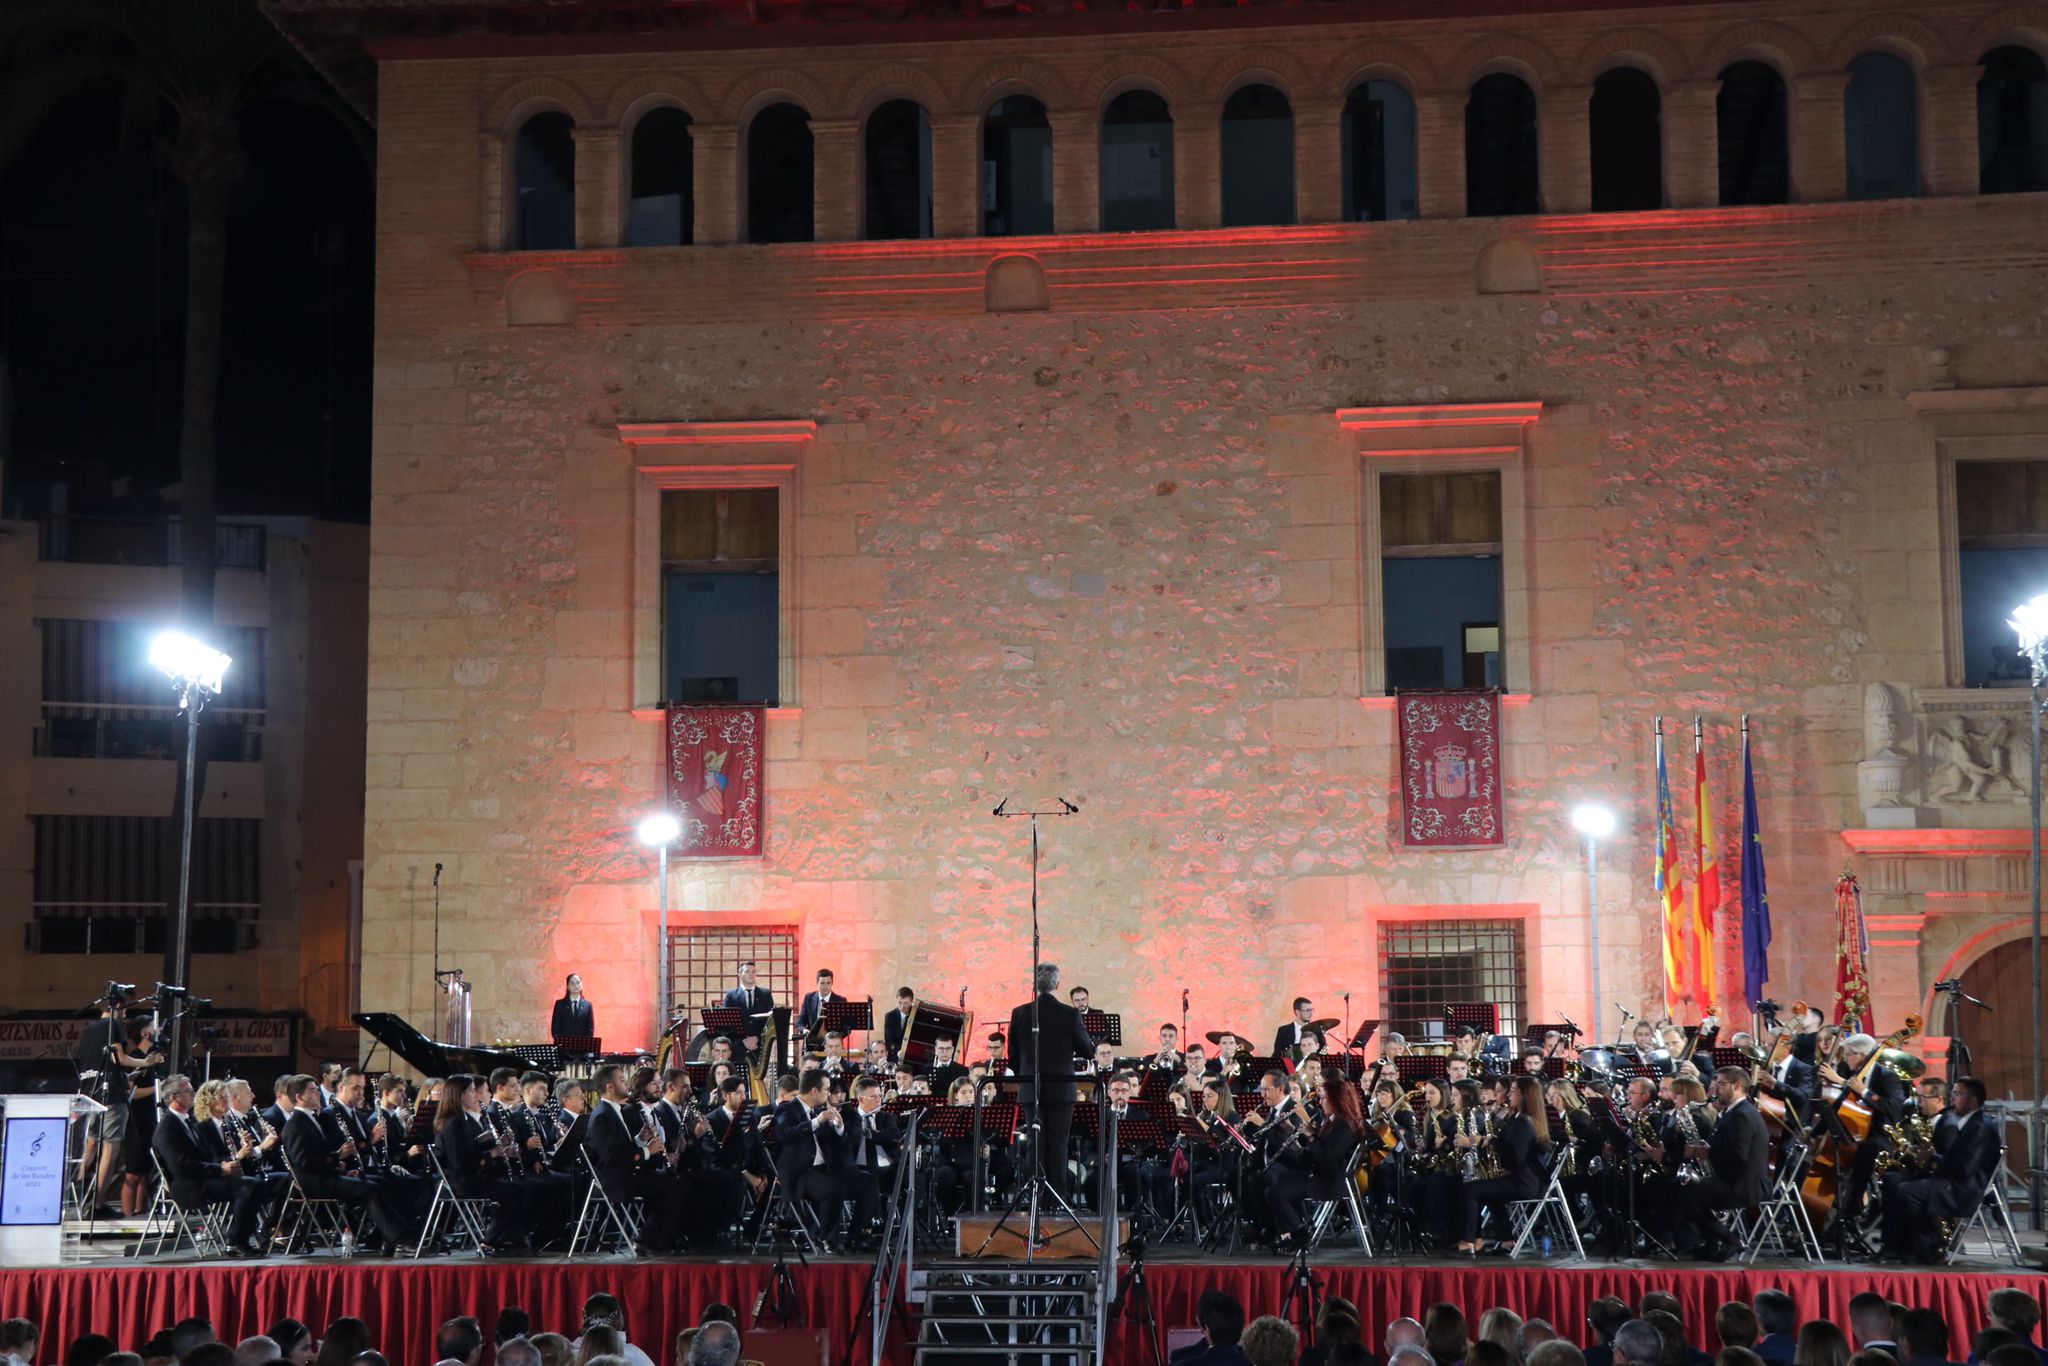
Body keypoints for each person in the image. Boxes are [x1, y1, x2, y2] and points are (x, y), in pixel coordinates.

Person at [1879, 1077, 2001, 1261]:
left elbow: (1964, 1169)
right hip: (1951, 1180)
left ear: (1973, 1100)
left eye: (1958, 1094)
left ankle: (1927, 1246)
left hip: (1962, 1188)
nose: (1952, 1098)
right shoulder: (1970, 1122)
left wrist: (1932, 1159)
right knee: (1892, 1180)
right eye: (1953, 1093)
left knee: (1907, 1192)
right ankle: (1893, 1245)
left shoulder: (1980, 1127)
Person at [1007, 962, 1096, 1201]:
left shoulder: (1020, 1013)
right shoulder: (1070, 1013)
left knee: (1036, 1143)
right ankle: (1057, 1199)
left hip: (1030, 1088)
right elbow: (1087, 1050)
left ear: (1035, 985)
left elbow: (1012, 1057)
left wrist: (1025, 1075)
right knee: (1058, 1144)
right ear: (1057, 984)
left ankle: (1035, 1195)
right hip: (1061, 1089)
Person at [152, 1073, 267, 1255]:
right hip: (190, 1186)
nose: (193, 1094)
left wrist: (227, 1162)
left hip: (203, 1178)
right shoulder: (167, 1128)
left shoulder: (185, 1120)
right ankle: (236, 1241)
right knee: (248, 1186)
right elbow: (182, 1165)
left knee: (257, 1183)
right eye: (189, 1091)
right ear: (175, 1098)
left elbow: (204, 1155)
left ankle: (253, 1235)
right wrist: (220, 1169)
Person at [1263, 1071, 1363, 1248]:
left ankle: (1297, 1233)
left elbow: (1326, 1155)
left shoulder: (1345, 1125)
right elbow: (1315, 1152)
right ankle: (1291, 1231)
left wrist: (1311, 1135)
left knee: (1275, 1192)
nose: (1320, 1102)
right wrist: (1294, 1138)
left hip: (1328, 1181)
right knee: (1276, 1181)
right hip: (1318, 1174)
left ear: (1336, 1100)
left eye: (1324, 1098)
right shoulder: (1331, 1121)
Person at [774, 1068, 848, 1241]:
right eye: (826, 1090)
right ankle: (826, 1239)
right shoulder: (788, 1109)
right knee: (833, 1189)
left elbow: (832, 1143)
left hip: (822, 1169)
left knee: (853, 1182)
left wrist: (839, 1126)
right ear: (814, 1091)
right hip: (799, 1173)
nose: (829, 1094)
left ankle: (850, 1236)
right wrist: (817, 1121)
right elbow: (786, 1134)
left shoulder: (816, 1110)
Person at [722, 963, 775, 1060]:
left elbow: (771, 1021)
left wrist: (757, 1038)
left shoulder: (765, 994)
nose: (751, 974)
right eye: (747, 971)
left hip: (761, 1047)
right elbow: (726, 1022)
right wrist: (743, 1039)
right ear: (740, 975)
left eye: (753, 971)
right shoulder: (731, 995)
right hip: (738, 1047)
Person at [551, 974, 594, 1045]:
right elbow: (555, 1029)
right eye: (572, 983)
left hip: (582, 1049)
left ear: (582, 985)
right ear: (567, 986)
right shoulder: (560, 1004)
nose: (575, 986)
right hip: (563, 1048)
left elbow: (590, 1030)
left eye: (578, 982)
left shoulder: (588, 1005)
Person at [883, 988, 917, 1062]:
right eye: (900, 1002)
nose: (902, 1006)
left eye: (905, 1003)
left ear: (912, 1002)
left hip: (912, 1056)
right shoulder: (889, 1016)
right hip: (894, 1056)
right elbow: (889, 1039)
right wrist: (900, 1051)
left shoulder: (917, 1017)